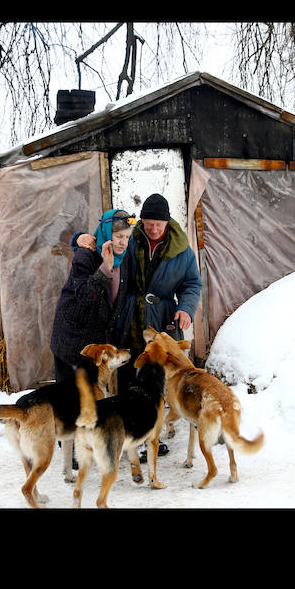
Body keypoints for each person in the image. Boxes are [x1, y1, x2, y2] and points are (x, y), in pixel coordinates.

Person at [76, 193, 202, 459]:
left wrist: (186, 309)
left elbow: (192, 284)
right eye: (148, 222)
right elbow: (100, 235)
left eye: (159, 223)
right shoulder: (129, 239)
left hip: (163, 320)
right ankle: (122, 433)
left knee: (155, 379)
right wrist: (78, 237)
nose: (153, 228)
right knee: (126, 375)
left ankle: (149, 434)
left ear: (168, 223)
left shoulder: (182, 251)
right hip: (129, 315)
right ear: (141, 220)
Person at [50, 209, 137, 475]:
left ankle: (90, 446)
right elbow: (81, 301)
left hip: (95, 342)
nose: (122, 241)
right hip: (71, 340)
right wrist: (103, 269)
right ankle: (72, 454)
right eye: (116, 235)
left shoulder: (124, 258)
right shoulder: (86, 257)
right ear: (104, 234)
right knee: (70, 401)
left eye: (126, 236)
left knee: (92, 399)